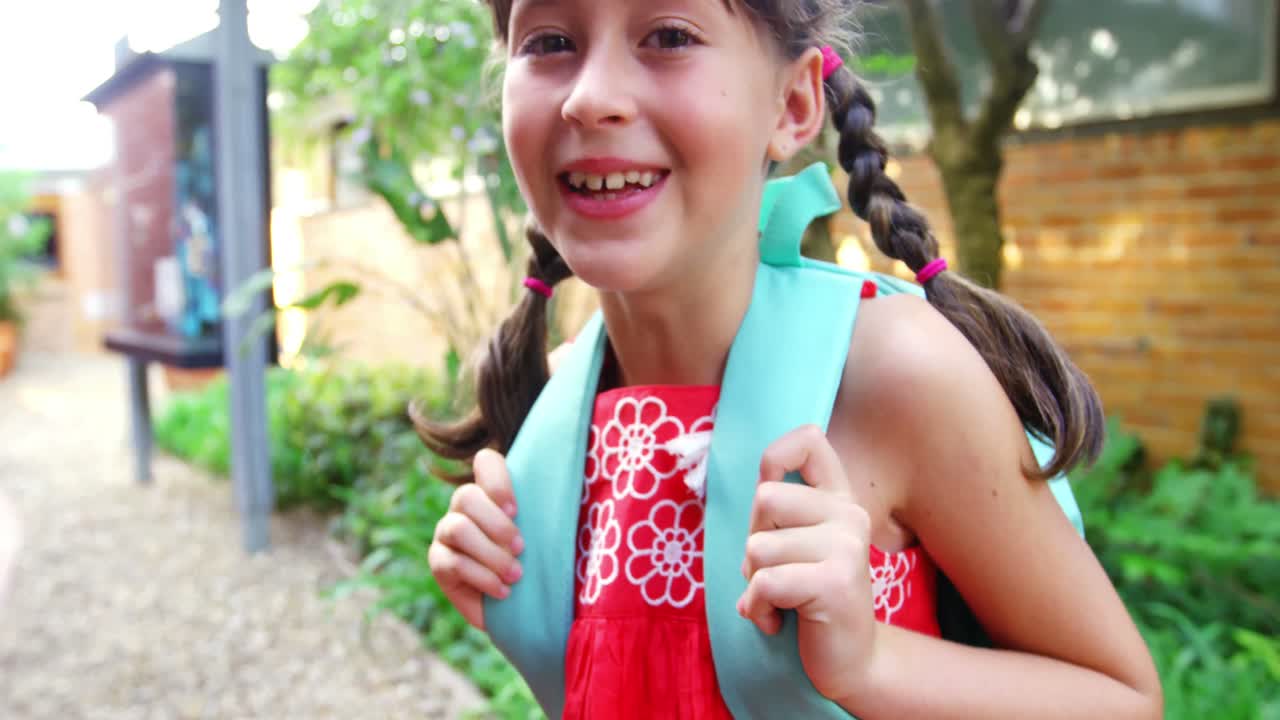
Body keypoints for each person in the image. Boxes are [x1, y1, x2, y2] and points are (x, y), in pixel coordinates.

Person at [415, 1, 1163, 718]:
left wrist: (870, 664)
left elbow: (1121, 698)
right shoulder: (559, 408)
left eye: (669, 35)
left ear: (793, 105)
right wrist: (524, 609)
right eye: (549, 42)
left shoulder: (893, 370)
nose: (591, 98)